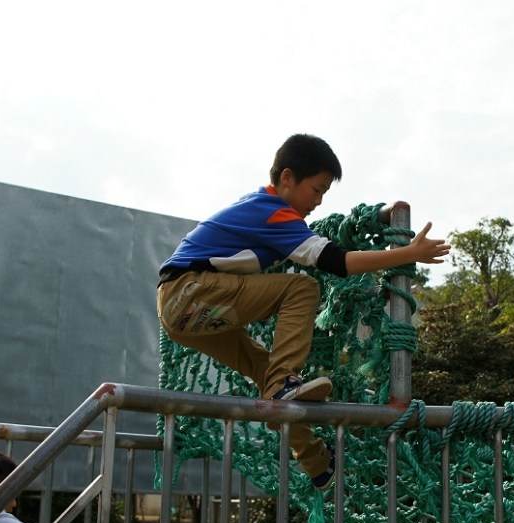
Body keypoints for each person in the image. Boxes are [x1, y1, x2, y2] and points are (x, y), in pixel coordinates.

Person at [157, 133, 450, 490]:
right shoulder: (271, 212)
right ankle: (282, 386)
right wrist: (408, 253)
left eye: (325, 193)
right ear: (287, 178)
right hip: (190, 292)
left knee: (265, 371)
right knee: (302, 288)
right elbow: (337, 262)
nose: (319, 200)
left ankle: (316, 463)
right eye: (316, 189)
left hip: (180, 316)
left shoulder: (264, 210)